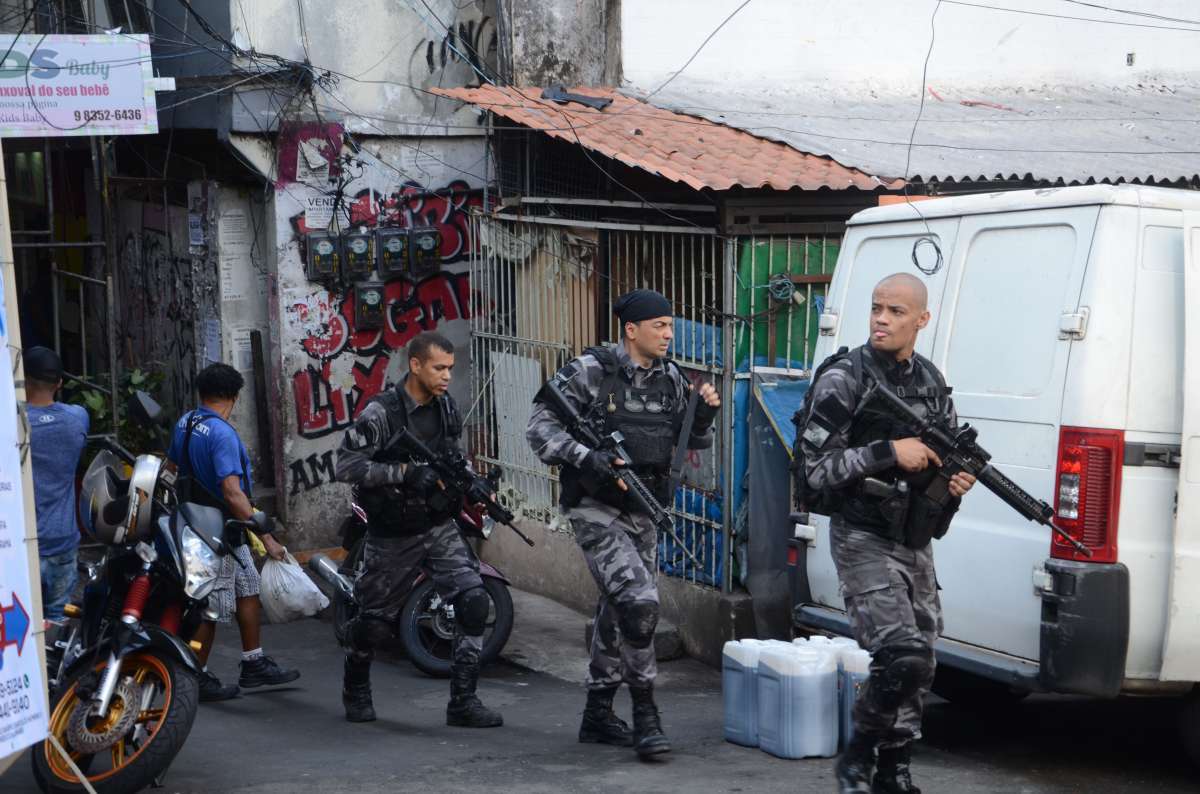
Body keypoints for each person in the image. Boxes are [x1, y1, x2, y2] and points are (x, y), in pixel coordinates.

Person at [798, 273, 976, 794]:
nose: (881, 318)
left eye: (896, 311)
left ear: (922, 320)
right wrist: (888, 451)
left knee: (921, 659)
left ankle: (894, 770)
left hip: (912, 538)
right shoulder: (843, 378)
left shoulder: (930, 381)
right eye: (877, 308)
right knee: (901, 653)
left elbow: (944, 460)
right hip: (862, 535)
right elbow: (812, 469)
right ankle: (857, 755)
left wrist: (954, 481)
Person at [526, 288, 721, 759]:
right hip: (596, 507)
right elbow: (538, 427)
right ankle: (646, 715)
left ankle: (597, 713)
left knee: (618, 611)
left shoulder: (672, 379)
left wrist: (705, 414)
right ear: (631, 330)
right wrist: (587, 457)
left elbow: (691, 443)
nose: (669, 335)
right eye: (660, 326)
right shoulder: (593, 371)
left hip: (644, 507)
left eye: (671, 326)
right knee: (639, 605)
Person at [334, 331, 502, 728]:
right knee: (374, 623)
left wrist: (471, 482)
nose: (446, 376)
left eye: (450, 368)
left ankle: (463, 700)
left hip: (438, 524)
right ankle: (355, 686)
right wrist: (405, 473)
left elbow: (453, 457)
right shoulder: (382, 413)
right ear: (415, 365)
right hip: (393, 531)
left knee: (474, 602)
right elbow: (345, 466)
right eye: (438, 368)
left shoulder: (446, 408)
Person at [168, 363, 300, 702]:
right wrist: (265, 531)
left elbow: (170, 469)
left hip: (198, 523)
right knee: (209, 606)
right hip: (219, 530)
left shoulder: (187, 422)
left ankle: (253, 662)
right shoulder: (223, 434)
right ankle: (194, 676)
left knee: (249, 587)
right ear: (234, 396)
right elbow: (232, 492)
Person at [25, 347, 89, 623]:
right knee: (55, 622)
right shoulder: (77, 418)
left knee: (20, 624)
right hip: (63, 540)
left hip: (25, 544)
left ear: (24, 380)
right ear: (60, 383)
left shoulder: (15, 423)